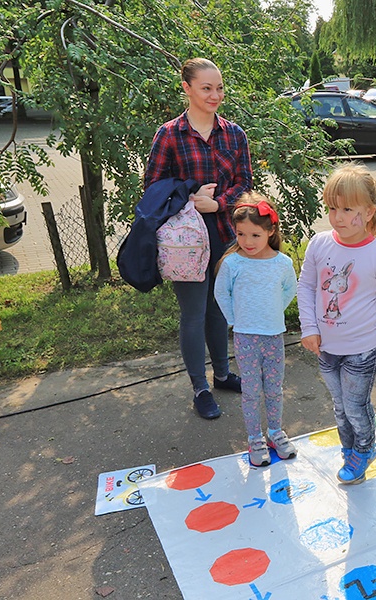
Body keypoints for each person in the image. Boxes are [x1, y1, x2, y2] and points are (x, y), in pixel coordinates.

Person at [144, 57, 253, 420]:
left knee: (219, 308)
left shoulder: (234, 134)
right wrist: (191, 196)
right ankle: (200, 388)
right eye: (206, 88)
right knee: (193, 313)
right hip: (185, 243)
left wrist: (218, 202)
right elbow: (154, 188)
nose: (215, 94)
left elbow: (245, 183)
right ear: (187, 88)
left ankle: (221, 374)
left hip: (223, 232)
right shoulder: (169, 134)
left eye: (219, 87)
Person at [297, 164, 376, 484]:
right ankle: (349, 449)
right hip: (327, 348)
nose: (337, 217)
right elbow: (307, 286)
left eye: (346, 209)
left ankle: (365, 448)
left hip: (362, 350)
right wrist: (309, 328)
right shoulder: (319, 244)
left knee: (355, 407)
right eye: (332, 208)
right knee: (340, 407)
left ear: (369, 212)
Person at [214, 193, 298, 467]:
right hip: (245, 338)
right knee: (251, 391)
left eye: (255, 235)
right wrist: (236, 320)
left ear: (270, 231)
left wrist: (272, 313)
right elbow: (221, 293)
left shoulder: (282, 263)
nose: (247, 242)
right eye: (241, 234)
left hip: (274, 335)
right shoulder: (233, 263)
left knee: (274, 389)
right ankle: (254, 438)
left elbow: (288, 290)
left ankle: (275, 432)